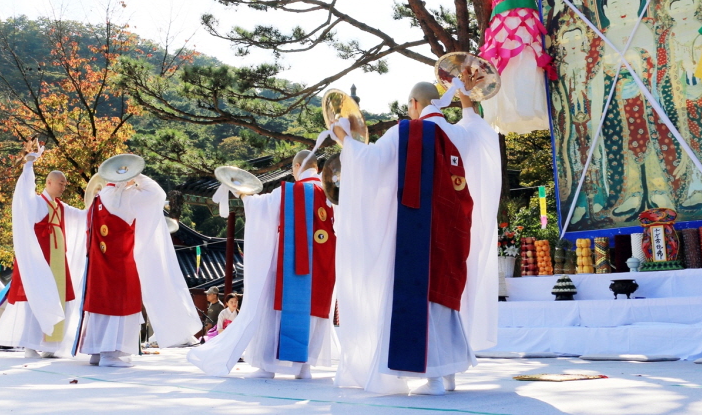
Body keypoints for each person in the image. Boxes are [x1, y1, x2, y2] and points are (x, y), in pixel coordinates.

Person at [333, 79, 501, 395]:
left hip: (417, 234)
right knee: (445, 298)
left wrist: (346, 140)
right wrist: (465, 100)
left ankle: (433, 378)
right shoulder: (459, 134)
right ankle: (449, 373)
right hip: (453, 232)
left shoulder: (404, 133)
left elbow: (369, 165)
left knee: (421, 299)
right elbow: (480, 133)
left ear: (413, 104)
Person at [188, 151, 337, 379]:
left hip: (291, 265)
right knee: (311, 312)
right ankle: (303, 368)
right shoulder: (331, 193)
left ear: (297, 166)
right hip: (324, 264)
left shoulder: (292, 191)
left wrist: (244, 195)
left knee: (276, 309)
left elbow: (263, 207)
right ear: (316, 168)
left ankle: (268, 367)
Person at [76, 168, 200, 367]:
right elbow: (157, 194)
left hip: (98, 264)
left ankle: (96, 351)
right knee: (121, 305)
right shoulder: (127, 197)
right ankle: (112, 354)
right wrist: (136, 175)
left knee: (100, 305)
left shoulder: (99, 198)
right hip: (121, 261)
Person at [0, 139, 88, 359]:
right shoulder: (35, 202)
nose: (64, 186)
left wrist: (101, 195)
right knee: (33, 297)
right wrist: (29, 165)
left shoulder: (61, 206)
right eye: (61, 183)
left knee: (58, 297)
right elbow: (24, 194)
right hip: (39, 259)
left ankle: (50, 345)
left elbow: (84, 216)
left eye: (65, 184)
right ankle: (29, 345)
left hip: (57, 258)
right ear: (48, 182)